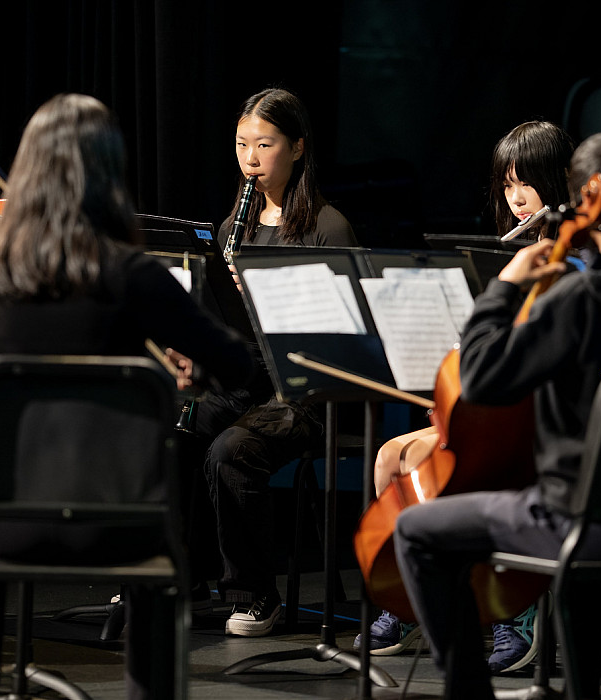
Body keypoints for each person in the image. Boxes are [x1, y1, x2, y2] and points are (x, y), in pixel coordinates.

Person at [0, 93, 255, 700]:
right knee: (163, 549)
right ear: (110, 172)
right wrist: (182, 371)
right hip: (121, 520)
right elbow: (237, 363)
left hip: (4, 522)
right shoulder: (134, 274)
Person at [393, 128, 601, 698]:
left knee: (416, 529)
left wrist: (504, 287)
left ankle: (468, 692)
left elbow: (482, 379)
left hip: (580, 523)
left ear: (592, 197)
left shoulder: (578, 299)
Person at [357, 120, 576, 671]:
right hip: (498, 412)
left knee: (466, 469)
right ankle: (409, 605)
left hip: (542, 422)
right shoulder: (512, 257)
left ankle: (514, 615)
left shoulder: (570, 262)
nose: (517, 196)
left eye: (526, 181)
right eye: (507, 185)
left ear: (556, 180)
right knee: (390, 454)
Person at [183, 87, 357, 637]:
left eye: (265, 144)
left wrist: (269, 296)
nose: (250, 159)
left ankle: (254, 594)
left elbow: (341, 339)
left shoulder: (328, 227)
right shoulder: (238, 218)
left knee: (232, 450)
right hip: (245, 377)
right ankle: (179, 578)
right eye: (241, 144)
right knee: (175, 426)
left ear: (298, 147)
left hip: (302, 391)